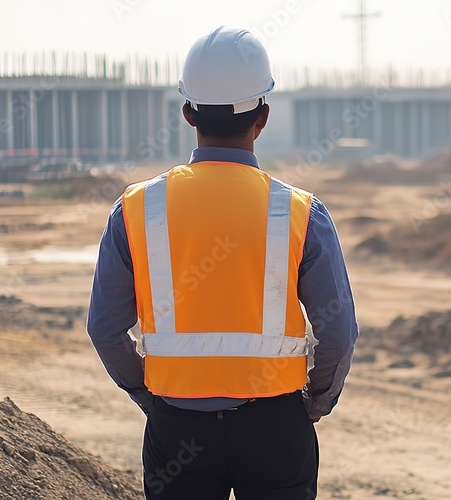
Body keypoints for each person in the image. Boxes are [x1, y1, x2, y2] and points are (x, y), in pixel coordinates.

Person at [87, 26, 359, 499]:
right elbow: (338, 334)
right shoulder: (299, 212)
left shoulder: (137, 208)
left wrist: (149, 395)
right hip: (276, 426)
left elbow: (105, 329)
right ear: (264, 117)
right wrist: (312, 404)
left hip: (177, 427)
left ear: (188, 111)